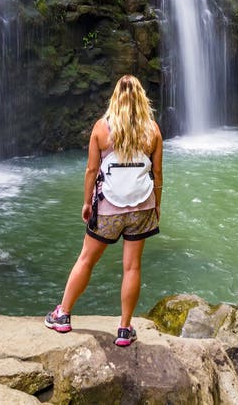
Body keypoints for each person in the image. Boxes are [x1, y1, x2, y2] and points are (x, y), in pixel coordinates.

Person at [45, 74, 163, 347]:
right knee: (132, 266)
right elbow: (157, 173)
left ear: (115, 98)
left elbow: (90, 170)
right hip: (141, 207)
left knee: (86, 259)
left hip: (108, 208)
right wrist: (157, 205)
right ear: (141, 99)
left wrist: (87, 203)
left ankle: (62, 314)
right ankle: (124, 329)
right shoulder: (152, 131)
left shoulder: (102, 128)